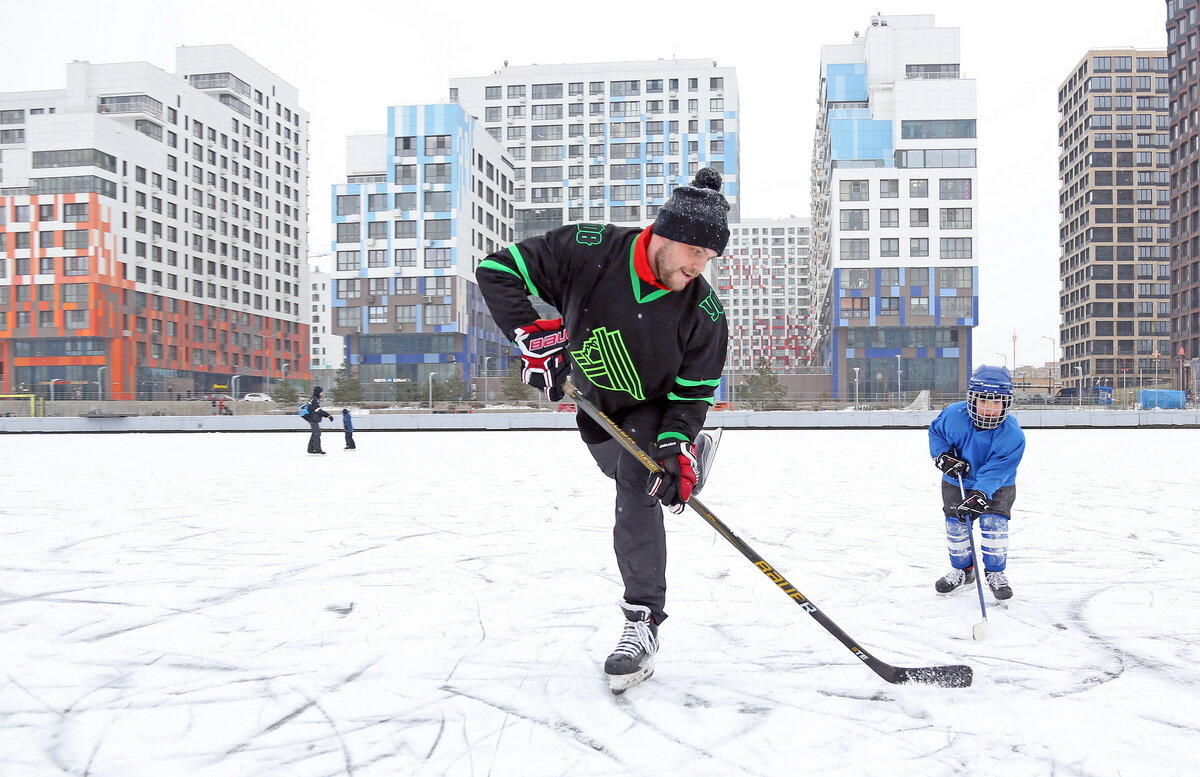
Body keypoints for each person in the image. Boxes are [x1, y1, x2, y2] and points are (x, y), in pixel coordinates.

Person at [476, 168, 730, 693]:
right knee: (626, 470)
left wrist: (676, 438)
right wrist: (530, 334)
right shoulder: (587, 247)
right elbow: (496, 270)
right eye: (696, 254)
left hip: (655, 411)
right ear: (667, 233)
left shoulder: (704, 311)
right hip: (596, 409)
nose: (699, 267)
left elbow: (694, 392)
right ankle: (676, 463)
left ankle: (642, 621)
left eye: (707, 259)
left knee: (640, 481)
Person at [928, 365, 1026, 601]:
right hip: (956, 480)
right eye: (983, 400)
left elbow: (997, 470)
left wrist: (980, 493)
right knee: (956, 527)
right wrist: (942, 456)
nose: (990, 408)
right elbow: (936, 433)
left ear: (1007, 403)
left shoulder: (1013, 435)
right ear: (972, 398)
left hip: (998, 484)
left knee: (994, 525)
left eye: (997, 402)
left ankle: (995, 573)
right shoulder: (953, 415)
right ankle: (964, 571)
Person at [302, 386, 333, 454]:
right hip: (313, 418)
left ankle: (311, 448)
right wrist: (328, 415)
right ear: (318, 392)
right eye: (321, 392)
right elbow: (318, 410)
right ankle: (317, 449)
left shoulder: (314, 399)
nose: (322, 393)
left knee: (315, 433)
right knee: (317, 433)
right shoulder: (314, 400)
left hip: (312, 418)